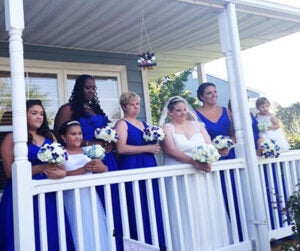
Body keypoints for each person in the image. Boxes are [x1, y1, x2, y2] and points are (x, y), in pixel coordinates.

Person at [53, 74, 122, 249]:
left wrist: (108, 142)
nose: (91, 91)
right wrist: (90, 143)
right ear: (79, 88)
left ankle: (112, 242)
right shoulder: (67, 109)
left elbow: (106, 131)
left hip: (106, 160)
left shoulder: (96, 109)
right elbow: (61, 138)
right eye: (87, 87)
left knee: (109, 202)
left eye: (93, 88)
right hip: (80, 160)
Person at [158, 96, 231, 250]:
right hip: (180, 174)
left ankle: (215, 244)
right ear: (170, 112)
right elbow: (170, 150)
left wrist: (210, 157)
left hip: (202, 173)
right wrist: (193, 162)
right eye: (178, 110)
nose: (183, 113)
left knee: (206, 206)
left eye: (184, 109)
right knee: (186, 209)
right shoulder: (167, 128)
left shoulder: (198, 125)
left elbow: (208, 144)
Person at [0, 99, 74, 251]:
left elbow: (62, 168)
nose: (39, 117)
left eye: (41, 114)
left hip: (48, 193)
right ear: (23, 115)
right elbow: (10, 173)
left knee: (50, 232)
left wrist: (60, 174)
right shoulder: (11, 139)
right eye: (34, 113)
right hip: (22, 192)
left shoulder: (50, 137)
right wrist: (41, 167)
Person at [114, 91, 166, 250]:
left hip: (148, 164)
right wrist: (147, 147)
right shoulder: (122, 124)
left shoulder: (144, 124)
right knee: (136, 203)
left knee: (151, 201)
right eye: (132, 104)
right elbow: (121, 148)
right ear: (124, 106)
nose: (136, 107)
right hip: (132, 165)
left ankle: (156, 242)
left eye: (137, 104)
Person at [59, 120, 109, 250]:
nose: (78, 137)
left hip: (90, 195)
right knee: (77, 226)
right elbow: (63, 174)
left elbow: (103, 170)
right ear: (64, 137)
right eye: (73, 134)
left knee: (93, 225)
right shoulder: (61, 154)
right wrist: (84, 169)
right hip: (72, 197)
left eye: (80, 133)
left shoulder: (89, 150)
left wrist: (101, 167)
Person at [195, 82, 235, 159]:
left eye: (215, 92)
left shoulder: (226, 111)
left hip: (230, 153)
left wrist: (228, 146)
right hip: (210, 156)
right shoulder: (195, 114)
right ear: (201, 97)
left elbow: (234, 133)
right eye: (209, 93)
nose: (214, 95)